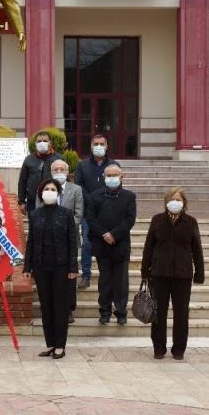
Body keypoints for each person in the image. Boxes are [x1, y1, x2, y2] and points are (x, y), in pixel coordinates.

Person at [140, 187, 205, 361]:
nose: (175, 202)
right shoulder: (157, 220)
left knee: (181, 313)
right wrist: (145, 271)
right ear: (166, 202)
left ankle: (179, 349)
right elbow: (148, 247)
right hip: (159, 274)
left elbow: (197, 249)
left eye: (178, 199)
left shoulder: (190, 222)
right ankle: (159, 348)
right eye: (172, 199)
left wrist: (199, 273)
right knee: (158, 313)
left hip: (182, 275)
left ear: (184, 203)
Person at [23, 178, 79, 359]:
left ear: (58, 193)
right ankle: (50, 343)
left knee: (60, 307)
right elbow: (31, 242)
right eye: (46, 189)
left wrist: (73, 267)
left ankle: (60, 345)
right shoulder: (35, 215)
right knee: (46, 306)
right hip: (41, 267)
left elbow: (72, 242)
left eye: (53, 189)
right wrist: (27, 267)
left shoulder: (66, 214)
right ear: (41, 193)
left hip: (61, 267)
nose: (49, 191)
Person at [87, 163, 136, 325]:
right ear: (103, 177)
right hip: (102, 245)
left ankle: (121, 312)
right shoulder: (94, 196)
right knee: (105, 281)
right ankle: (105, 312)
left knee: (121, 282)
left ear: (122, 177)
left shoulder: (129, 197)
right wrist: (104, 234)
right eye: (109, 175)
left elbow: (130, 219)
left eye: (115, 175)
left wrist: (114, 234)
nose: (112, 178)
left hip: (120, 245)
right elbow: (91, 219)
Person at [41, 159, 84, 325]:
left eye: (62, 169)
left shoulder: (76, 189)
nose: (59, 172)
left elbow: (79, 214)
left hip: (69, 239)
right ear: (51, 172)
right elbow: (39, 211)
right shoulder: (45, 189)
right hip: (48, 241)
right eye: (56, 169)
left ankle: (68, 309)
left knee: (69, 276)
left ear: (67, 171)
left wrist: (64, 228)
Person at [74, 135, 118, 289]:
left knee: (109, 242)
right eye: (96, 144)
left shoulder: (113, 165)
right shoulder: (82, 165)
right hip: (89, 212)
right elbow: (79, 185)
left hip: (109, 211)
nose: (99, 146)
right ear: (91, 147)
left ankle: (108, 275)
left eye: (102, 143)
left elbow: (117, 185)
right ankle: (86, 276)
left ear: (107, 146)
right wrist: (93, 200)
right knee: (87, 244)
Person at [17, 130, 62, 214]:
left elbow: (65, 179)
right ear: (35, 144)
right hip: (33, 202)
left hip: (54, 200)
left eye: (45, 141)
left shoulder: (58, 158)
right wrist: (21, 201)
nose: (42, 143)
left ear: (50, 143)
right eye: (39, 141)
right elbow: (22, 181)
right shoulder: (29, 159)